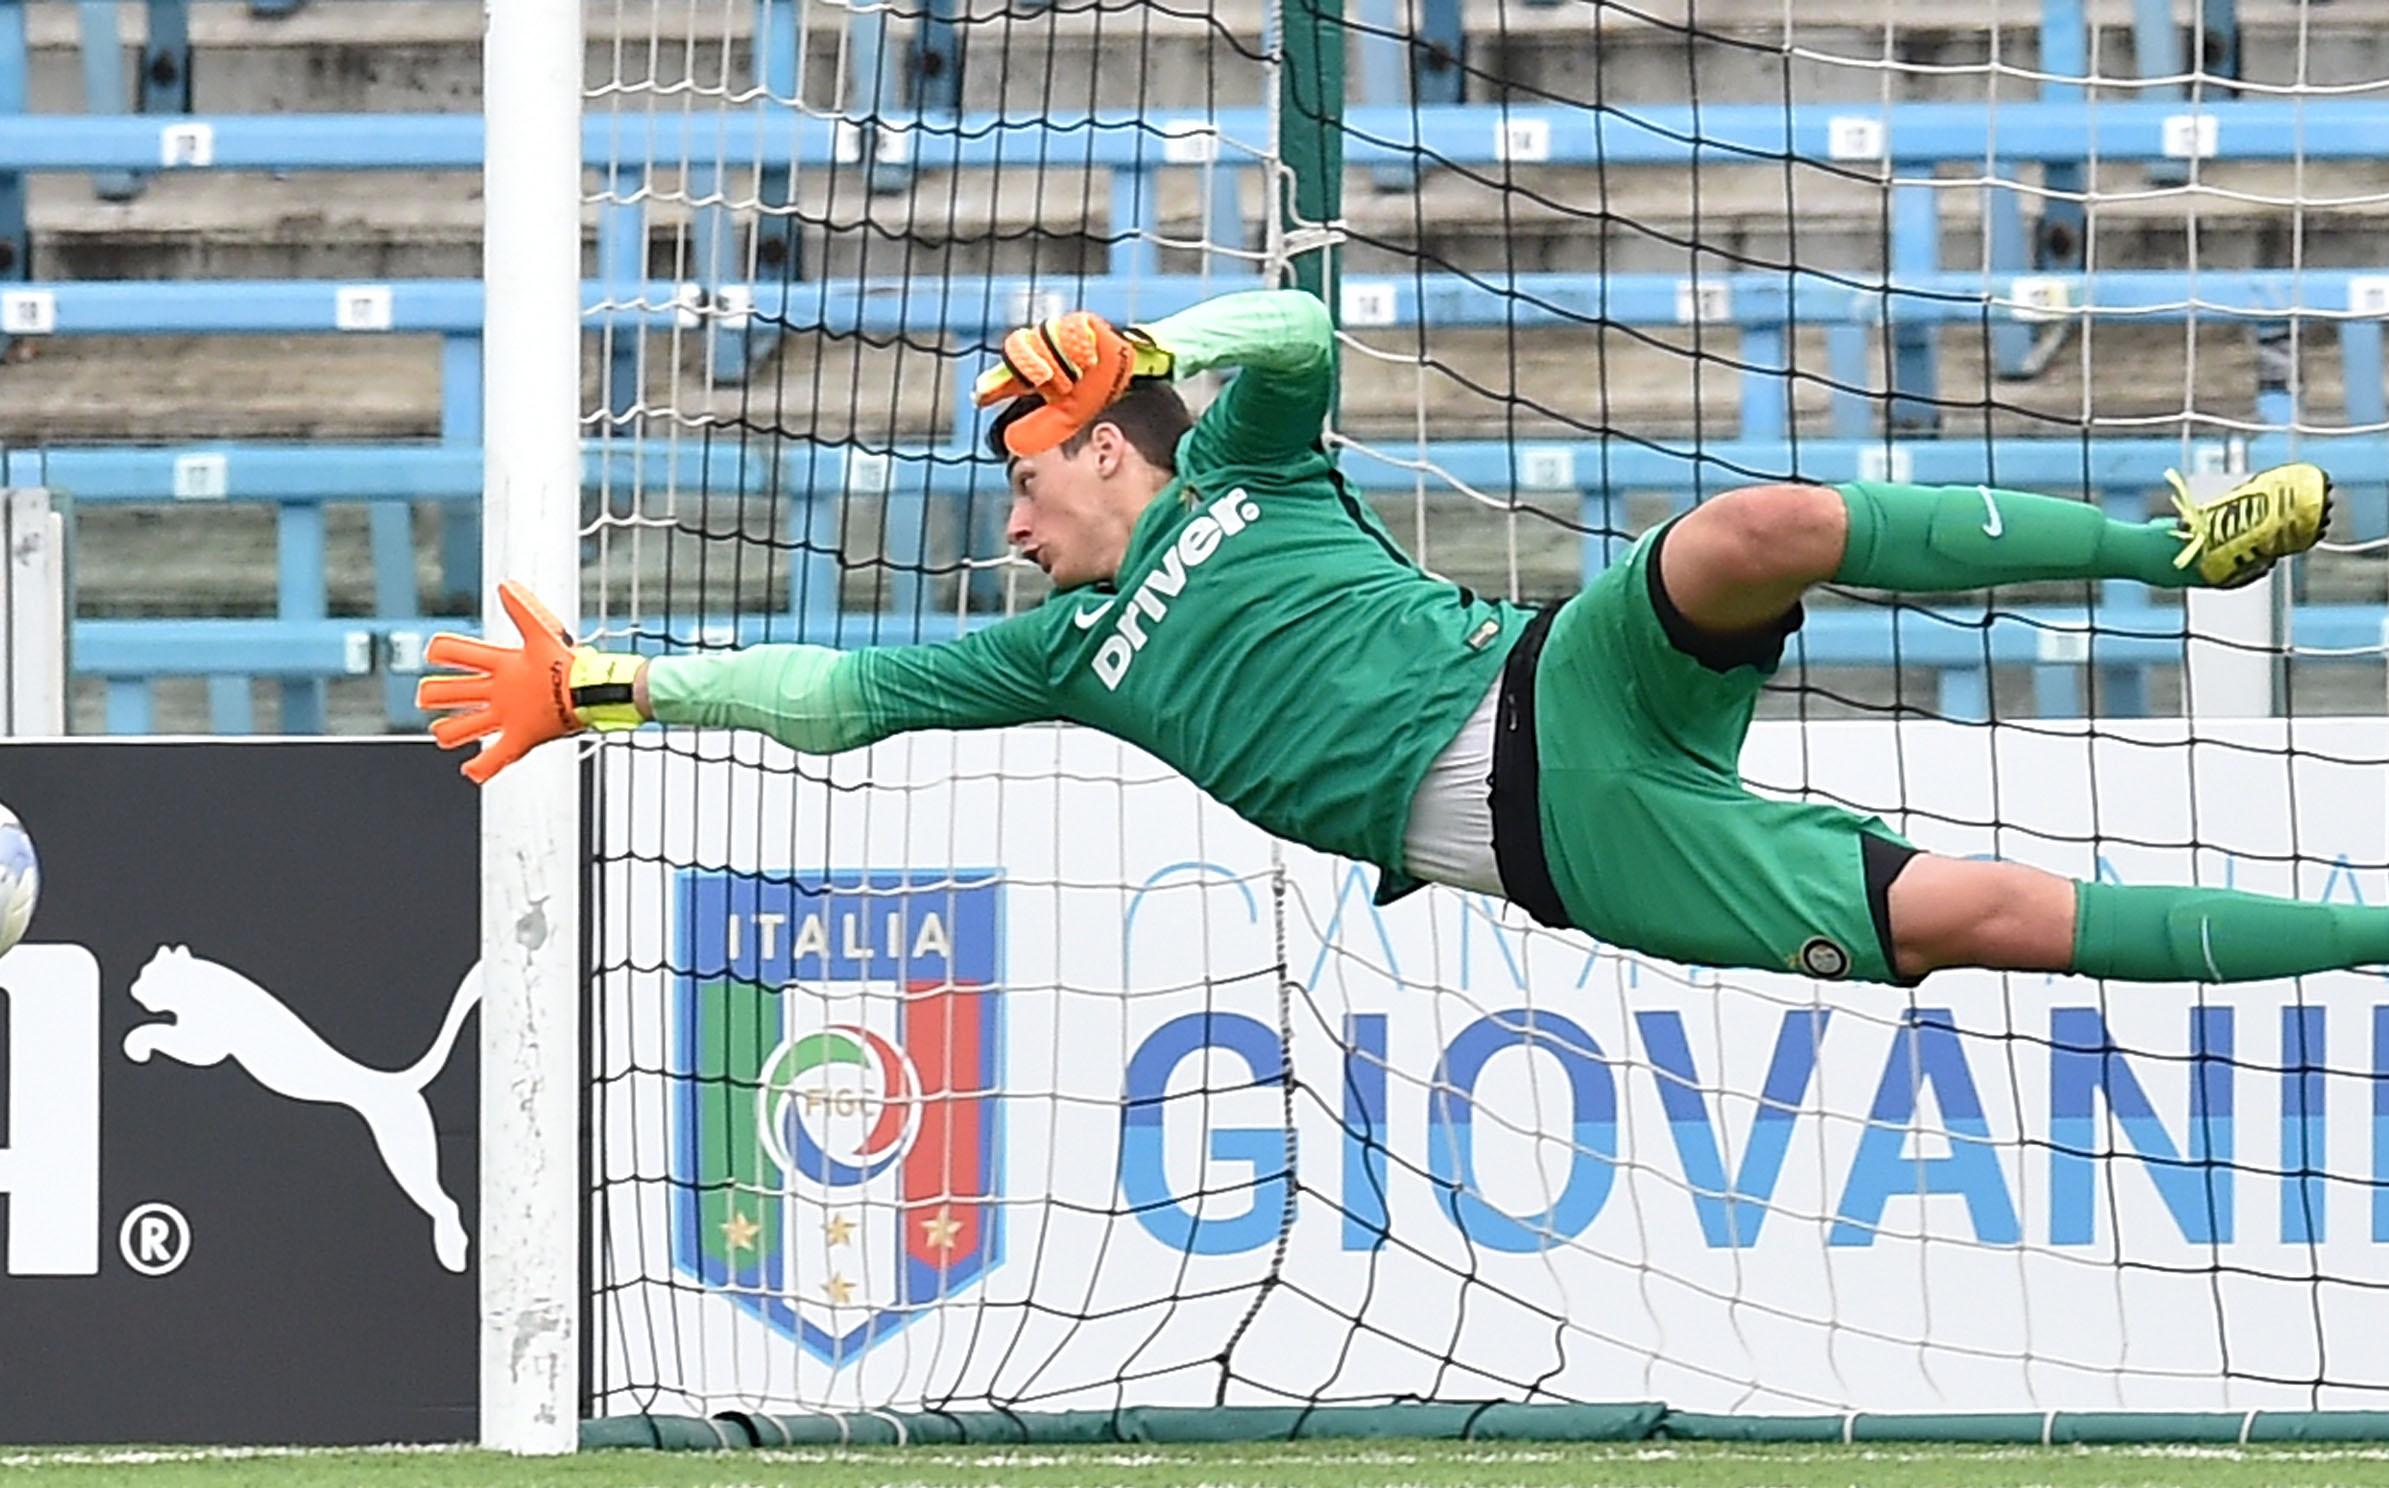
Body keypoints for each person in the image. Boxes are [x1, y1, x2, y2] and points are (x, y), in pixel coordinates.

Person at [419, 287, 2377, 987]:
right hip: (1564, 837)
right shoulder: (1052, 653)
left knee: (1749, 525)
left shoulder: (1248, 471)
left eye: (1030, 476)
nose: (1008, 522)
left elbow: (1301, 340)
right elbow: (833, 703)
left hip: (1557, 671)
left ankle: (2162, 544)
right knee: (1988, 913)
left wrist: (1160, 335)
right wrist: (607, 684)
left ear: (1112, 445)